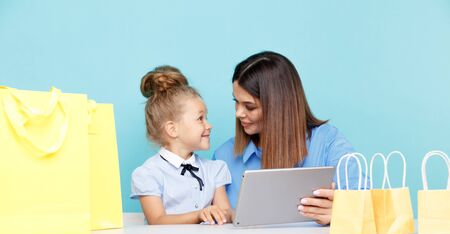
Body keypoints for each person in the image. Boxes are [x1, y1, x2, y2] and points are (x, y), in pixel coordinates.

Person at [213, 51, 362, 225]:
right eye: (236, 102)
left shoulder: (328, 143)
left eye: (249, 106)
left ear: (278, 107)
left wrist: (342, 212)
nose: (238, 113)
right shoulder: (224, 156)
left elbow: (367, 209)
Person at [131, 66, 232, 225]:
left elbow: (226, 214)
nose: (209, 125)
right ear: (173, 129)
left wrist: (233, 214)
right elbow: (157, 220)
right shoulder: (149, 174)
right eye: (200, 119)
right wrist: (199, 215)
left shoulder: (214, 170)